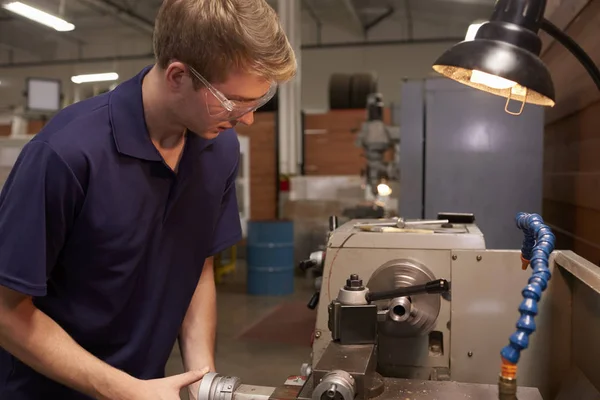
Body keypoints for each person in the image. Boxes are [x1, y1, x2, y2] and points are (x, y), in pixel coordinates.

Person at [0, 0, 296, 398]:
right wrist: (125, 390)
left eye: (257, 101)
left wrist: (201, 379)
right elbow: (5, 311)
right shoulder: (66, 154)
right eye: (233, 102)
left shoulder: (220, 148)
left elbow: (197, 265)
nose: (247, 119)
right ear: (177, 75)